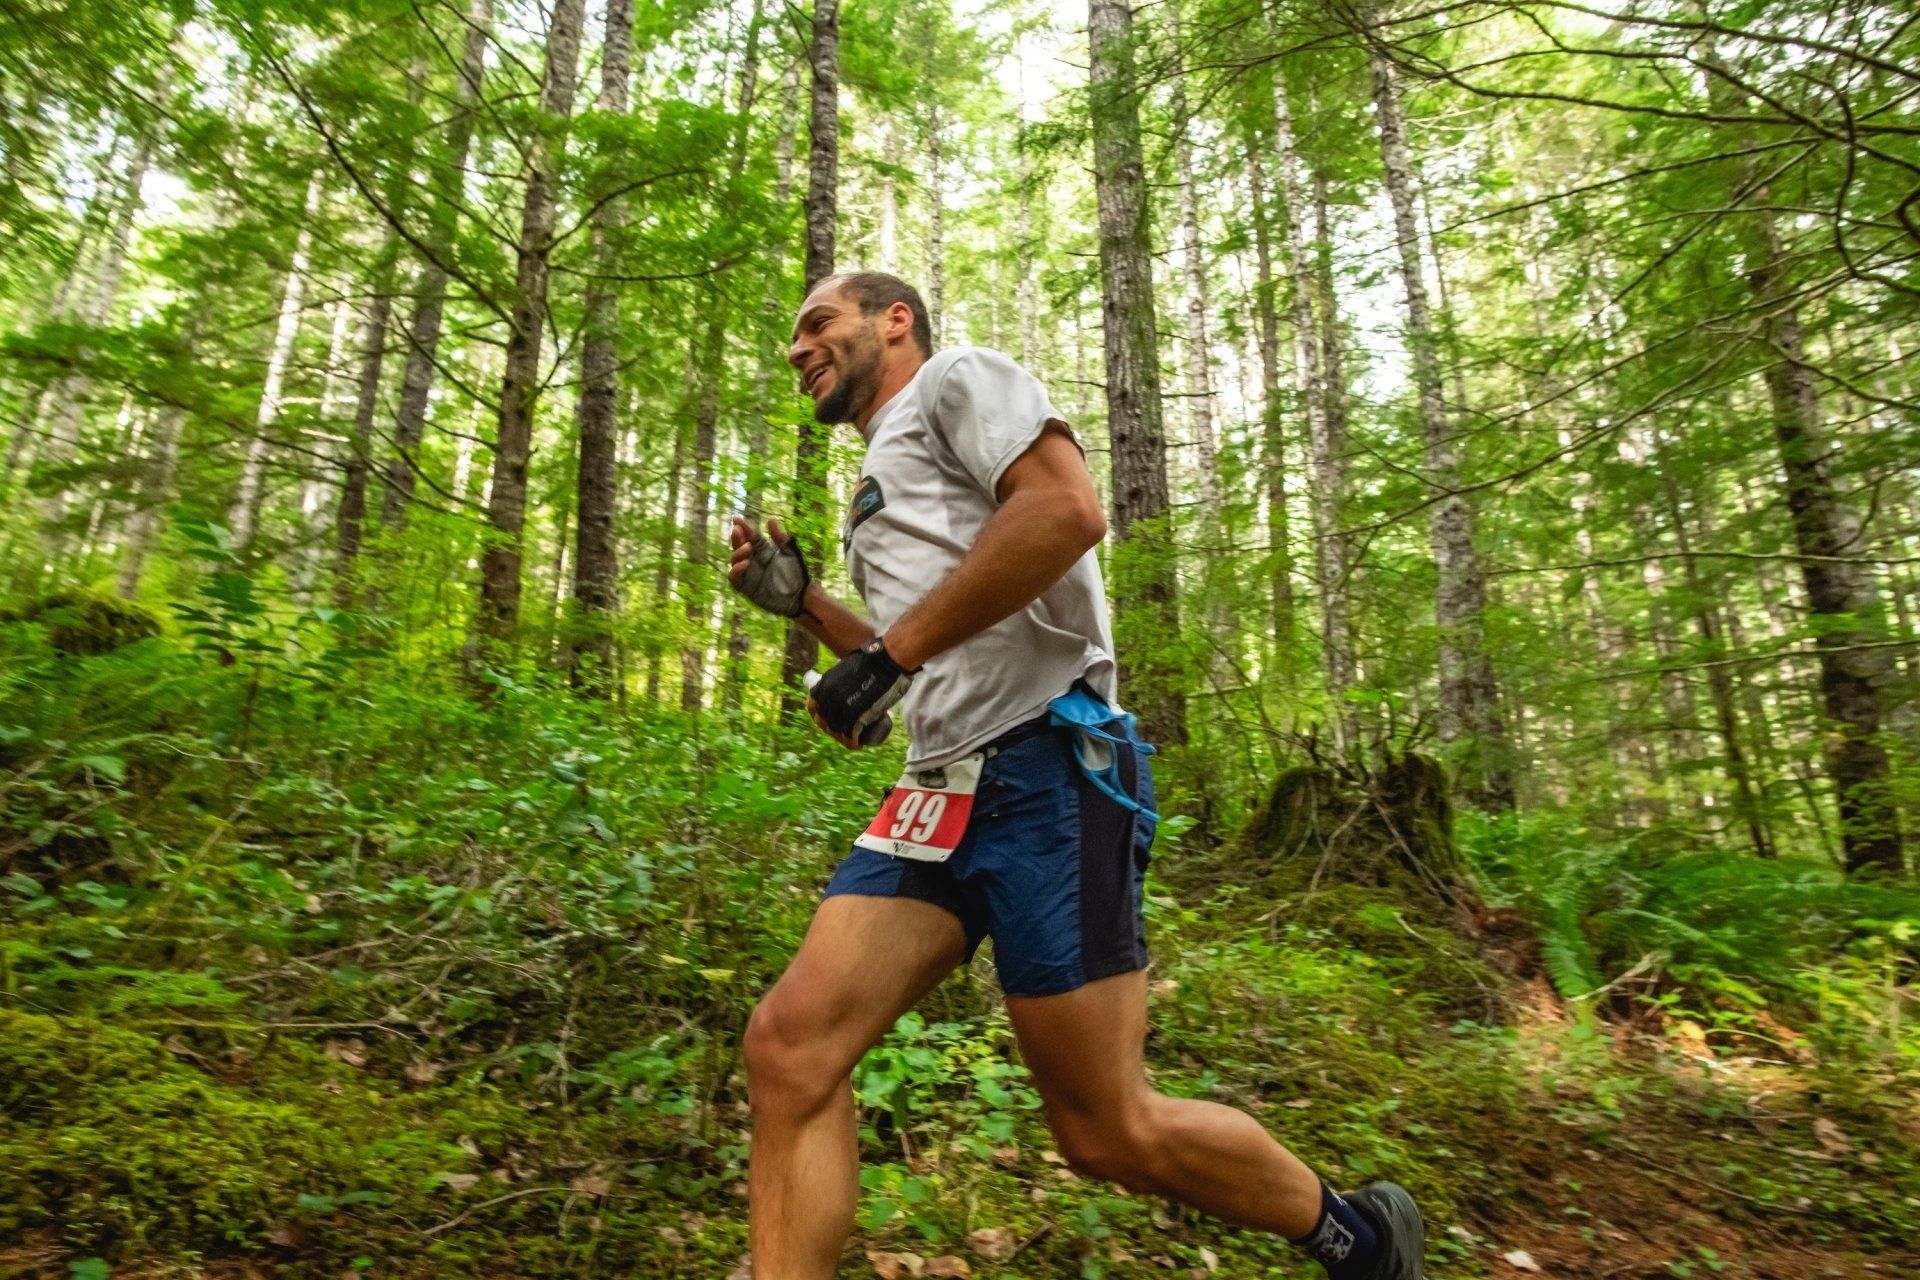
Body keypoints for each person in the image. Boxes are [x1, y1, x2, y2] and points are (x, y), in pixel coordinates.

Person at [727, 271, 1426, 1280]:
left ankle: (1360, 1239)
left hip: (1050, 767)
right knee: (789, 1050)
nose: (797, 348)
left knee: (1105, 1132)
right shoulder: (880, 476)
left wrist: (889, 655)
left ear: (895, 320)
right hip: (936, 790)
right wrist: (807, 608)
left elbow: (1064, 510)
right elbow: (914, 651)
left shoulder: (958, 378)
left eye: (817, 323)